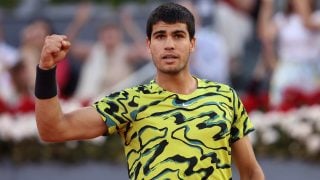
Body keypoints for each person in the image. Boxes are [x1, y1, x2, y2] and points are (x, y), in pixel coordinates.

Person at [35, 2, 264, 179]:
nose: (169, 44)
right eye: (160, 36)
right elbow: (53, 129)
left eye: (178, 35)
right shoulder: (129, 101)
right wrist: (46, 70)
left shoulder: (225, 96)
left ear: (192, 44)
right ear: (149, 45)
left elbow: (252, 173)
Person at [258, 0, 320, 109]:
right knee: (283, 109)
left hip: (311, 72)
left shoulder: (317, 17)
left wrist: (304, 12)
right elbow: (265, 35)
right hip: (287, 72)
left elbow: (308, 24)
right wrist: (266, 6)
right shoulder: (283, 19)